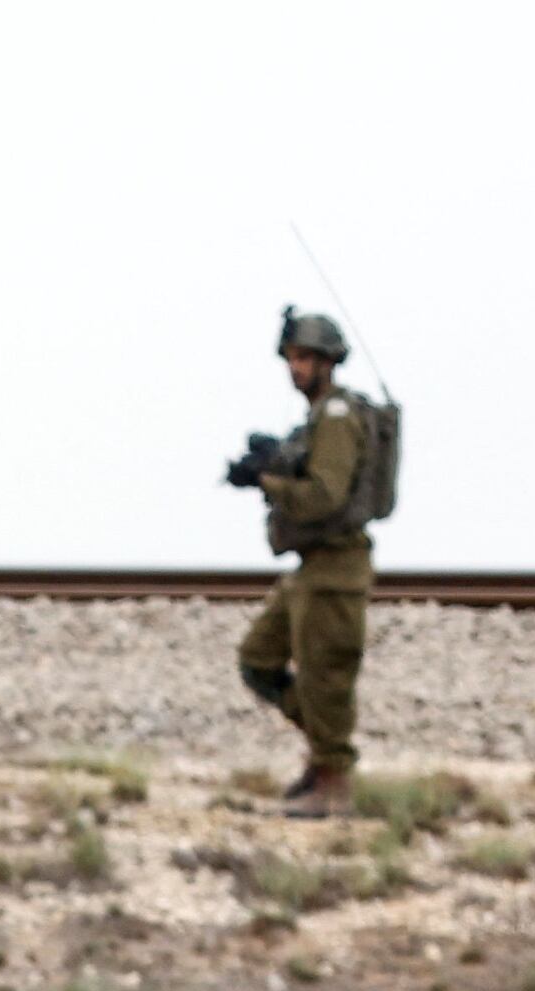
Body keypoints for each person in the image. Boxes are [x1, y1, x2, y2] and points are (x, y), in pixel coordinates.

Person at [231, 306, 377, 819]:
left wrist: (269, 484)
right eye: (292, 358)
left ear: (328, 362)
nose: (297, 368)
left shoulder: (337, 418)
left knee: (325, 677)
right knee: (258, 659)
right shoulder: (319, 418)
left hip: (336, 569)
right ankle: (324, 756)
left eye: (306, 358)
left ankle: (334, 779)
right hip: (312, 567)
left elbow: (325, 496)